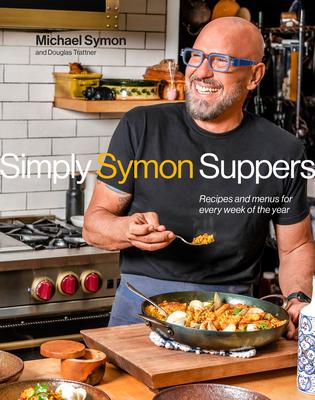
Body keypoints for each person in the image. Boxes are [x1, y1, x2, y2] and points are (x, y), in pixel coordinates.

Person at [83, 17, 314, 338]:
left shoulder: (283, 150)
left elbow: (296, 247)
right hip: (140, 307)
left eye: (221, 61)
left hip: (235, 313)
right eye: (196, 56)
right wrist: (127, 230)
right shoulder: (141, 126)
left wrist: (298, 299)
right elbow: (94, 224)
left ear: (254, 76)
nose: (202, 72)